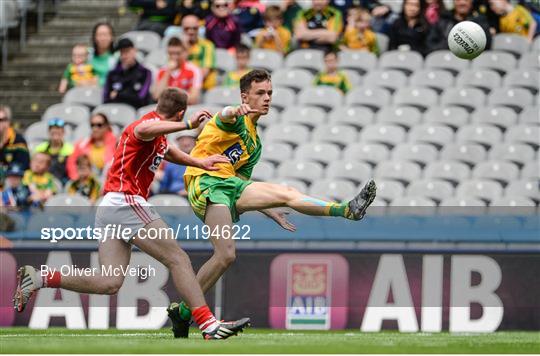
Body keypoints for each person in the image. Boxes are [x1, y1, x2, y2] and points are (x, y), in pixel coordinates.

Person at [13, 88, 249, 340]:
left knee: (110, 282)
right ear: (180, 111)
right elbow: (142, 130)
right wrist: (187, 124)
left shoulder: (156, 132)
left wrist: (199, 162)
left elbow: (167, 150)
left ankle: (39, 277)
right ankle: (208, 325)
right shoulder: (146, 124)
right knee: (178, 259)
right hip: (126, 201)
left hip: (110, 207)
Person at [167, 69, 376, 338]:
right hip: (206, 184)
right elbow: (227, 114)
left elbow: (240, 184)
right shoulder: (232, 120)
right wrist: (235, 110)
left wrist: (268, 210)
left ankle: (183, 313)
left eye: (270, 93)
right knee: (228, 251)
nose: (267, 98)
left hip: (228, 187)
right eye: (260, 93)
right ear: (245, 96)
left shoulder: (254, 144)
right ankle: (199, 319)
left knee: (232, 249)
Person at [103, 38, 153, 109]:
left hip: (136, 112)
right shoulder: (112, 74)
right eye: (121, 52)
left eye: (127, 51)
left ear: (134, 51)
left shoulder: (145, 72)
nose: (124, 56)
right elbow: (106, 98)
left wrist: (118, 95)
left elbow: (141, 98)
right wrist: (130, 95)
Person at [427, 0, 492, 52]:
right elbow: (430, 44)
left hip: (470, 60)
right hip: (446, 57)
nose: (462, 2)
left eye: (466, 0)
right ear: (454, 2)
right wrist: (450, 44)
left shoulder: (480, 21)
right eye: (458, 0)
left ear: (471, 2)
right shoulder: (443, 20)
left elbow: (486, 44)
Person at [152, 37, 202, 104]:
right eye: (171, 53)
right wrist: (168, 71)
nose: (174, 57)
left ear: (185, 53)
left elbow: (193, 98)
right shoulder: (162, 71)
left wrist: (169, 98)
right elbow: (157, 96)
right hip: (166, 110)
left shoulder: (194, 70)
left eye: (177, 53)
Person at [66, 113, 116, 180]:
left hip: (109, 183)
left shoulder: (116, 143)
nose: (95, 128)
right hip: (87, 184)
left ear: (106, 126)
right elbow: (71, 163)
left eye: (99, 125)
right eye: (92, 125)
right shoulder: (82, 144)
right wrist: (77, 179)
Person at [181, 14, 218, 91]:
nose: (191, 31)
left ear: (199, 29)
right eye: (187, 28)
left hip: (203, 88)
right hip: (183, 86)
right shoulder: (179, 47)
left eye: (194, 28)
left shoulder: (207, 45)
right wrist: (185, 49)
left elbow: (204, 72)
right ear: (182, 29)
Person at [34, 118, 74, 184]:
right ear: (49, 132)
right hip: (43, 181)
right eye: (53, 130)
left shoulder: (71, 149)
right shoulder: (40, 148)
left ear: (63, 132)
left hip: (64, 181)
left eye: (58, 129)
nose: (55, 131)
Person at [158, 130, 197, 196]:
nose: (186, 143)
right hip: (173, 197)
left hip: (194, 198)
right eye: (182, 140)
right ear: (178, 142)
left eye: (189, 139)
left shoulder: (202, 161)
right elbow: (164, 187)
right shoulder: (171, 163)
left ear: (195, 142)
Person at [0, 105, 30, 185]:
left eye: (1, 120)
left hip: (12, 185)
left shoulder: (19, 141)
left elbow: (22, 168)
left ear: (8, 122)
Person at [89, 22, 117, 87]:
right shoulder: (88, 55)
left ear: (112, 37)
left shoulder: (118, 56)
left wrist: (98, 82)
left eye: (106, 34)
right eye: (100, 35)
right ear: (94, 37)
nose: (103, 38)